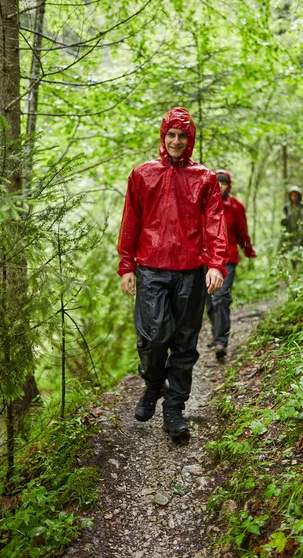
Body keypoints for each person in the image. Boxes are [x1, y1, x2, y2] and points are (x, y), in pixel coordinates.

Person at [117, 107, 228, 443]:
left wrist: (216, 263)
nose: (177, 141)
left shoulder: (205, 178)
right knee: (152, 337)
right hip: (151, 268)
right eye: (171, 135)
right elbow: (131, 220)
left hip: (190, 273)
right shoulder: (142, 174)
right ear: (164, 138)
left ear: (189, 139)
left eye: (182, 135)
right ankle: (153, 385)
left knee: (184, 340)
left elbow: (214, 223)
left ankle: (174, 409)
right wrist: (126, 265)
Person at [205, 170, 256, 361]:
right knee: (209, 301)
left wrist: (248, 250)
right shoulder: (204, 202)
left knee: (221, 298)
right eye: (217, 182)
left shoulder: (236, 206)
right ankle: (215, 331)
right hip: (206, 260)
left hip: (228, 259)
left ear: (229, 185)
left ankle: (221, 342)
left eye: (224, 183)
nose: (220, 186)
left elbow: (243, 231)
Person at [280, 185, 303, 250]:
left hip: (301, 232)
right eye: (292, 195)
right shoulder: (287, 207)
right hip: (290, 232)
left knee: (302, 248)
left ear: (299, 196)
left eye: (296, 195)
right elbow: (283, 215)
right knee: (289, 248)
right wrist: (284, 220)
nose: (294, 197)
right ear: (290, 196)